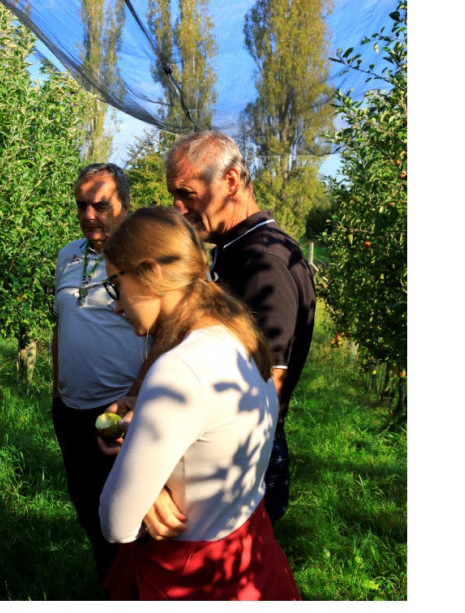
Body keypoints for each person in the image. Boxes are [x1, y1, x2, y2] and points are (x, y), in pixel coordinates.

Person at [97, 207, 300, 600]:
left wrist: (142, 486)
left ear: (153, 271)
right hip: (246, 553)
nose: (117, 305)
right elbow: (210, 436)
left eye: (115, 285)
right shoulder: (240, 334)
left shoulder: (179, 369)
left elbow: (117, 522)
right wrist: (144, 466)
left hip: (194, 578)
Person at [164, 130, 316, 522]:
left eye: (187, 194)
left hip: (242, 451)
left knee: (233, 569)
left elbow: (270, 379)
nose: (179, 208)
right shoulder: (234, 248)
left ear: (229, 182)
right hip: (229, 442)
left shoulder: (264, 260)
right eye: (173, 197)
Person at [50, 163, 148, 584]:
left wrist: (138, 396)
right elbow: (62, 324)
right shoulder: (67, 255)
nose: (89, 214)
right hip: (72, 411)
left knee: (129, 519)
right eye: (82, 205)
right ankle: (111, 588)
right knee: (90, 512)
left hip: (120, 415)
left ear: (125, 206)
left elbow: (167, 335)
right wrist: (57, 391)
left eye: (101, 205)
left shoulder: (144, 259)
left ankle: (137, 591)